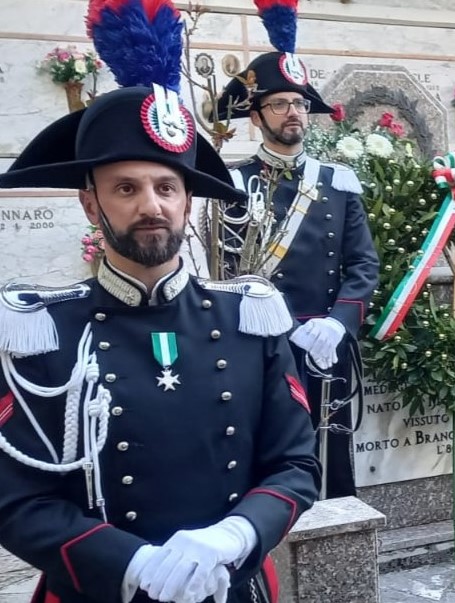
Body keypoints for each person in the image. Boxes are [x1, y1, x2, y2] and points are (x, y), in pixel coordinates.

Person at [0, 2, 319, 602]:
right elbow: (16, 500)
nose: (151, 205)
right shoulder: (42, 331)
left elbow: (296, 466)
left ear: (187, 201)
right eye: (126, 188)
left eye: (167, 187)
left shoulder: (250, 319)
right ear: (91, 204)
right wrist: (132, 563)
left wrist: (235, 535)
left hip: (229, 586)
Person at [214, 0, 379, 499]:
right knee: (271, 455)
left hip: (326, 344)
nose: (294, 112)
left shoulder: (338, 182)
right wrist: (286, 328)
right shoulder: (233, 185)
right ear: (255, 115)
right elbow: (226, 274)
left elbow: (363, 264)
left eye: (300, 103)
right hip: (264, 345)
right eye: (280, 104)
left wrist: (338, 324)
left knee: (331, 460)